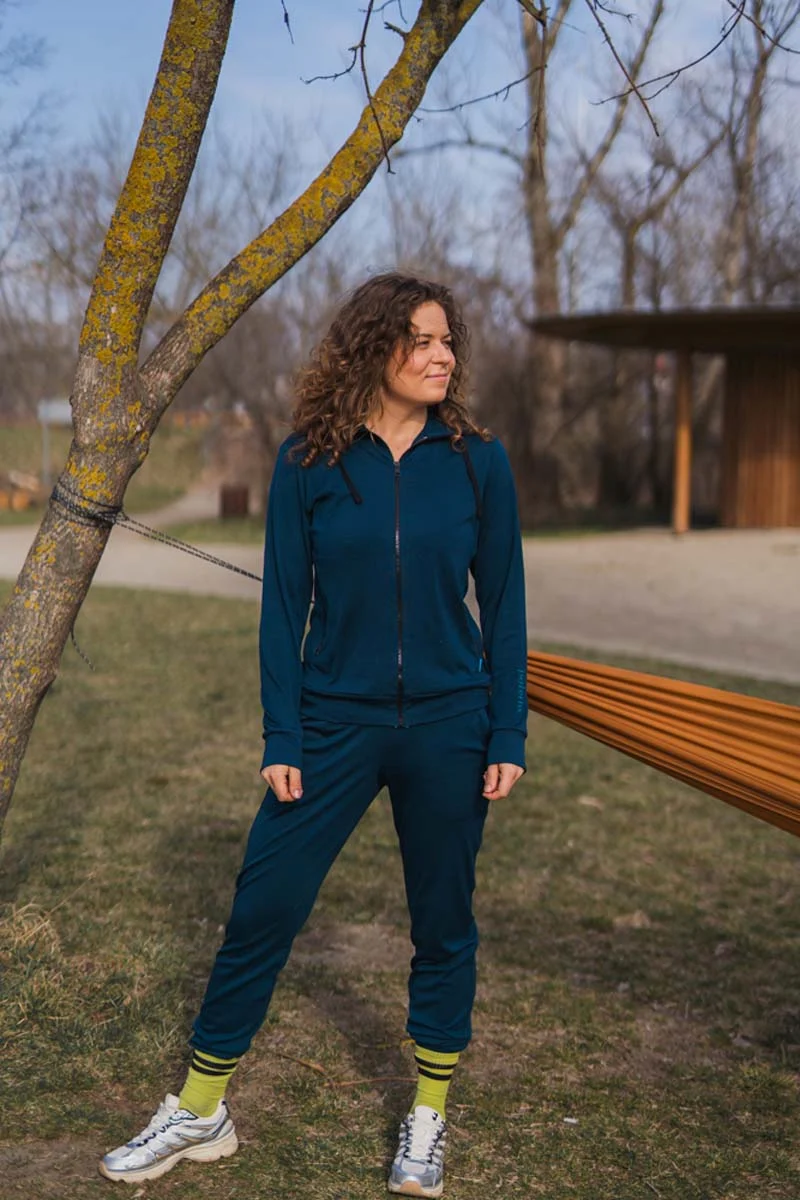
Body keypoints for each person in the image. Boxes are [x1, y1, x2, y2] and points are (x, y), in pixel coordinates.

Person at [99, 272, 528, 1196]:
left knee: (443, 922)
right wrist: (283, 734)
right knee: (264, 905)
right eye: (422, 339)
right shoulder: (308, 461)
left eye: (448, 339)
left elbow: (505, 604)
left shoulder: (478, 461)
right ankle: (201, 1109)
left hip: (451, 724)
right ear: (374, 346)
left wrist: (507, 732)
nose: (443, 355)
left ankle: (428, 1114)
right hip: (334, 722)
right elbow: (283, 608)